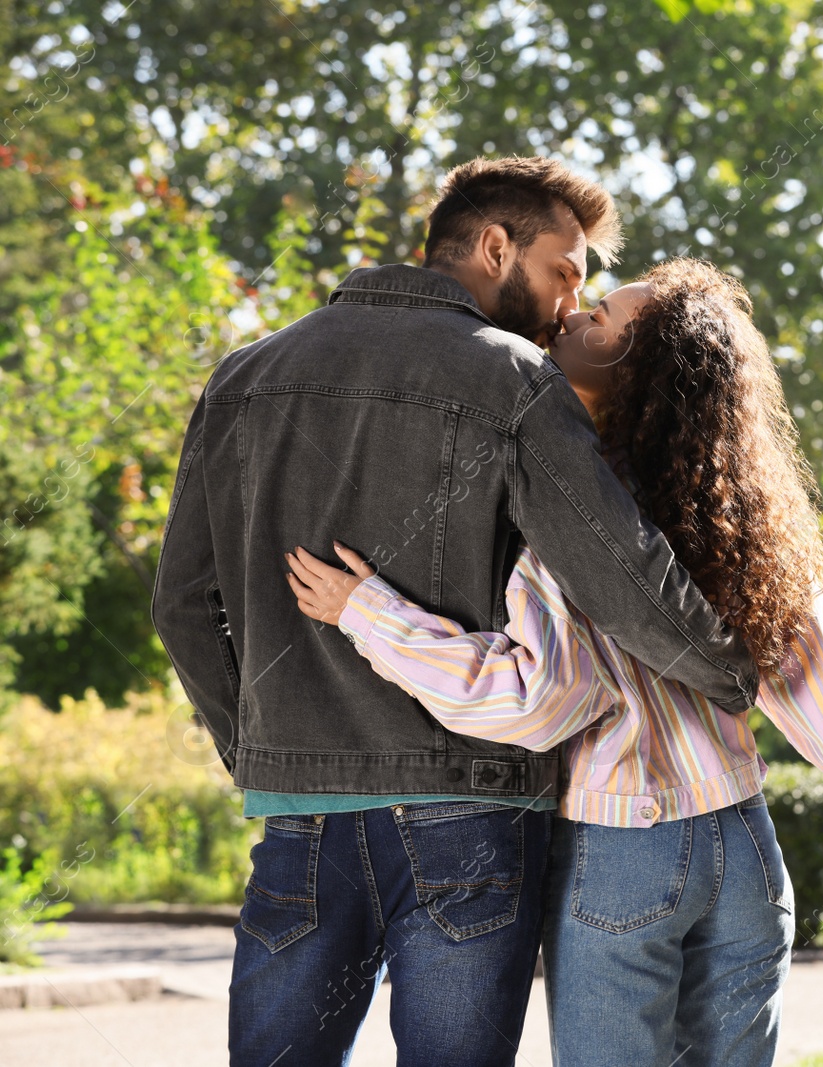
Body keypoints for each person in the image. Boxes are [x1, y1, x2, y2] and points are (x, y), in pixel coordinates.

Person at [284, 257, 823, 1067]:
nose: (572, 319)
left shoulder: (570, 506)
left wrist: (372, 615)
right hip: (744, 849)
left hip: (623, 849)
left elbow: (541, 697)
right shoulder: (741, 521)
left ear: (641, 371)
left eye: (599, 318)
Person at [151, 156, 763, 1067]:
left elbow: (180, 603)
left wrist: (262, 748)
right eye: (565, 270)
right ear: (493, 245)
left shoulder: (244, 377)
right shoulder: (513, 380)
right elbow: (620, 571)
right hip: (468, 812)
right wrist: (728, 669)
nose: (567, 302)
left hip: (301, 811)